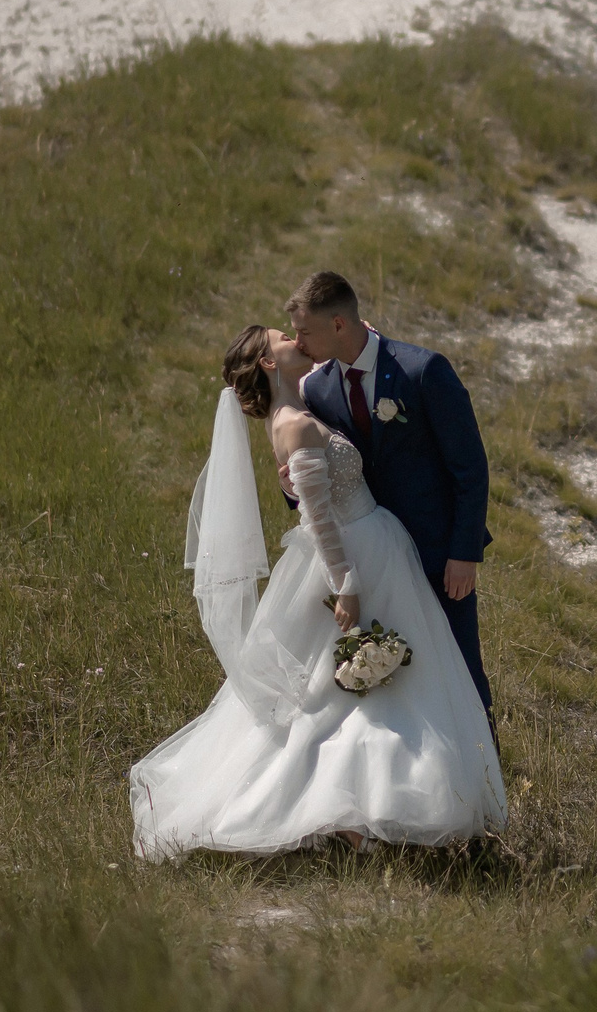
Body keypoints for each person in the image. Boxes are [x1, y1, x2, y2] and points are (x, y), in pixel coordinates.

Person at [127, 325, 506, 858]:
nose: (295, 340)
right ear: (265, 362)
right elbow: (318, 518)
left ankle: (372, 810)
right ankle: (351, 811)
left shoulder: (303, 403)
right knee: (340, 690)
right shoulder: (296, 426)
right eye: (283, 336)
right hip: (353, 559)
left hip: (376, 551)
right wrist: (346, 584)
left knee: (369, 683)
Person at [287, 270, 497, 717]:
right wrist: (291, 487)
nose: (298, 341)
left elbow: (469, 467)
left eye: (305, 331)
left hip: (437, 555)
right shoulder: (318, 389)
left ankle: (484, 774)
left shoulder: (423, 370)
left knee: (461, 669)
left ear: (339, 324)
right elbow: (320, 476)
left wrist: (465, 552)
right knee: (398, 680)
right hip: (373, 562)